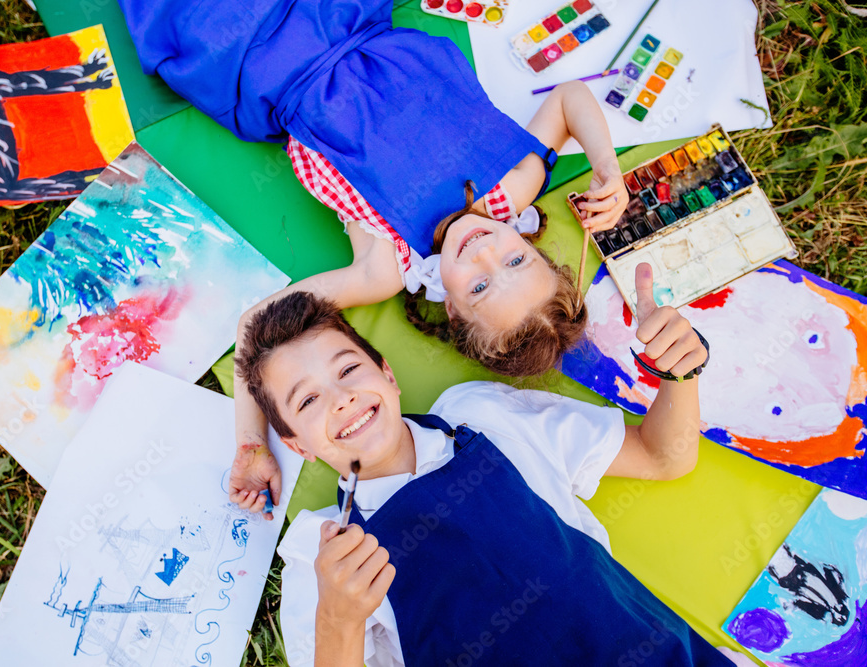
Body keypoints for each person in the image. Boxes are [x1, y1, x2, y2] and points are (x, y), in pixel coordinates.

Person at [116, 0, 628, 512]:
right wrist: (606, 166)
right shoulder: (514, 188)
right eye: (517, 261)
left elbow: (256, 322)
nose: (486, 252)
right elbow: (568, 99)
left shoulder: (387, 267)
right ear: (532, 246)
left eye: (478, 287)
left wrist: (251, 443)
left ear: (451, 309)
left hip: (252, 56)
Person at [234, 277, 754, 666]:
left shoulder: (484, 415)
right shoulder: (318, 558)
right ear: (295, 444)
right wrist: (339, 621)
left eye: (348, 370)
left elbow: (663, 456)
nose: (342, 399)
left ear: (388, 375)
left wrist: (681, 371)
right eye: (307, 400)